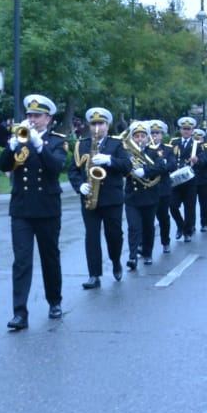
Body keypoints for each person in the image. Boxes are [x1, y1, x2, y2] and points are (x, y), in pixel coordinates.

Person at [0, 94, 69, 330]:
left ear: (48, 118)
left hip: (47, 209)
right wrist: (10, 147)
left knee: (50, 257)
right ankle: (19, 312)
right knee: (21, 261)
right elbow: (2, 166)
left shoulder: (56, 141)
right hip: (22, 209)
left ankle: (54, 301)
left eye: (37, 116)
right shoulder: (20, 138)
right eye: (29, 115)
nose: (32, 120)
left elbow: (57, 167)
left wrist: (39, 145)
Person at [69, 106, 132, 290]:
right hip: (89, 197)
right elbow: (73, 170)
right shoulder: (81, 145)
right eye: (94, 123)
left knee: (114, 235)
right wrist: (79, 186)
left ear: (107, 125)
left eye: (101, 123)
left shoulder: (116, 144)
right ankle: (94, 275)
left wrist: (109, 160)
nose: (97, 127)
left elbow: (127, 166)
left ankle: (116, 261)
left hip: (112, 198)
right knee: (91, 236)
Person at [121, 121, 166, 270]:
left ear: (147, 138)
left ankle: (147, 253)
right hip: (132, 196)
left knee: (148, 227)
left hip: (149, 195)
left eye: (142, 136)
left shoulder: (154, 151)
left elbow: (162, 167)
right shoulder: (127, 153)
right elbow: (121, 168)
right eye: (136, 136)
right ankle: (132, 256)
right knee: (133, 227)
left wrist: (145, 171)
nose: (139, 139)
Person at [171, 116, 207, 241]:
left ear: (192, 130)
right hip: (175, 180)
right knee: (172, 205)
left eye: (188, 129)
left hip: (190, 181)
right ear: (180, 130)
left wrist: (197, 160)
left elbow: (205, 160)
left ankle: (187, 232)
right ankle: (180, 225)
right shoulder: (173, 143)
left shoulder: (198, 144)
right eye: (184, 128)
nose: (186, 131)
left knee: (189, 208)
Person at [148, 120, 175, 253]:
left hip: (163, 188)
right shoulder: (145, 149)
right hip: (147, 188)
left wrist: (161, 166)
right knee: (147, 219)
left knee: (163, 217)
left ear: (162, 135)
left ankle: (165, 241)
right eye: (152, 133)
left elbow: (172, 165)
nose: (154, 135)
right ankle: (144, 245)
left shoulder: (168, 149)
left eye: (157, 133)